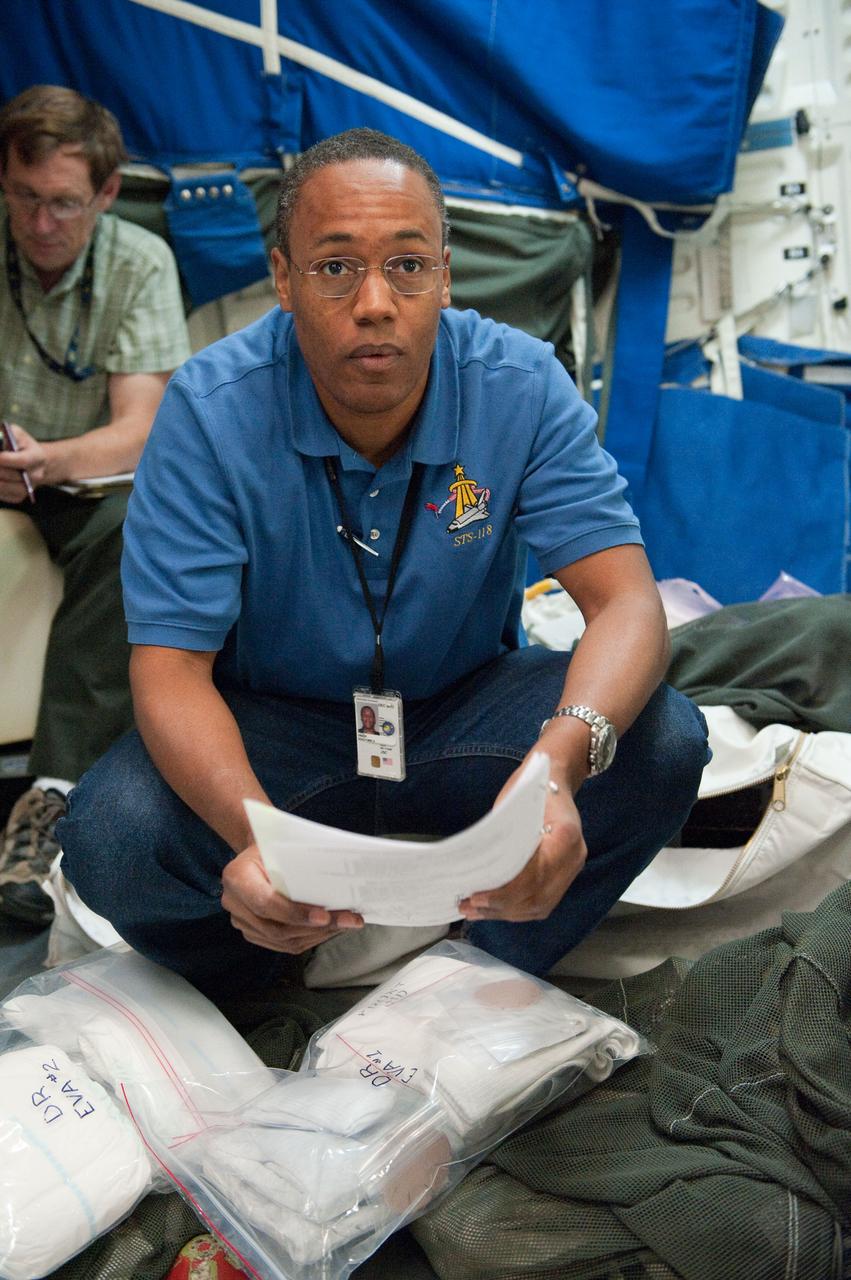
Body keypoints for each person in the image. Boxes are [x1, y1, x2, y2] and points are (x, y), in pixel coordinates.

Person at [58, 128, 708, 1003]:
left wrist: (556, 764)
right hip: (275, 727)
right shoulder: (210, 413)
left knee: (660, 741)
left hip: (458, 709)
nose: (374, 303)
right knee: (112, 835)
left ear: (445, 275)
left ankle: (476, 985)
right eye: (335, 267)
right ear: (283, 279)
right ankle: (258, 985)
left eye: (406, 265)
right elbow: (170, 671)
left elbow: (626, 603)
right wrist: (259, 840)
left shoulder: (519, 386)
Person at [0, 85, 191, 926]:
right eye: (24, 197)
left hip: (79, 479)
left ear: (107, 193)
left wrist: (47, 461)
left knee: (132, 529)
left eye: (64, 204)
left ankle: (51, 798)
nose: (41, 224)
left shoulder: (138, 262)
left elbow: (139, 430)